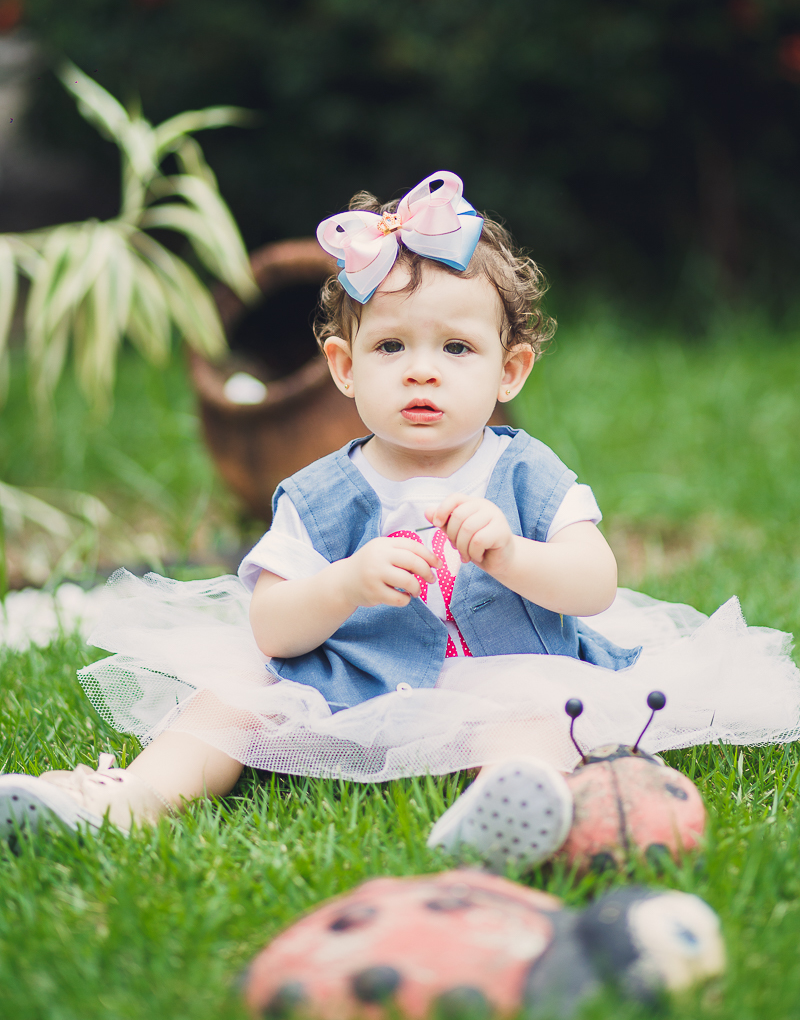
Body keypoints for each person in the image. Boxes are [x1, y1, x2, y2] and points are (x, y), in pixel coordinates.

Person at [2, 172, 798, 869]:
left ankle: (510, 808)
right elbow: (272, 627)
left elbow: (594, 584)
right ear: (344, 370)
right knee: (228, 695)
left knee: (533, 717)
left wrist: (513, 554)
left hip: (508, 666)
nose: (422, 369)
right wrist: (346, 583)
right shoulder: (318, 494)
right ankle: (135, 797)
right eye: (390, 347)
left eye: (456, 348)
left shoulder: (528, 473)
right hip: (351, 682)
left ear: (508, 368)